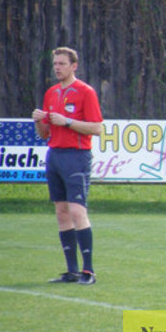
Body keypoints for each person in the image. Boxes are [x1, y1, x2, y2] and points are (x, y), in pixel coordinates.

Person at [31, 47, 103, 285]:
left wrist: (68, 122)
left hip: (76, 156)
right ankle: (71, 271)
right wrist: (39, 121)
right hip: (55, 155)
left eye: (62, 63)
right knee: (61, 212)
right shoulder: (51, 93)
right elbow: (44, 134)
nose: (57, 68)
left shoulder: (85, 92)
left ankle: (88, 272)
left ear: (74, 66)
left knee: (77, 211)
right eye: (55, 64)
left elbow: (96, 128)